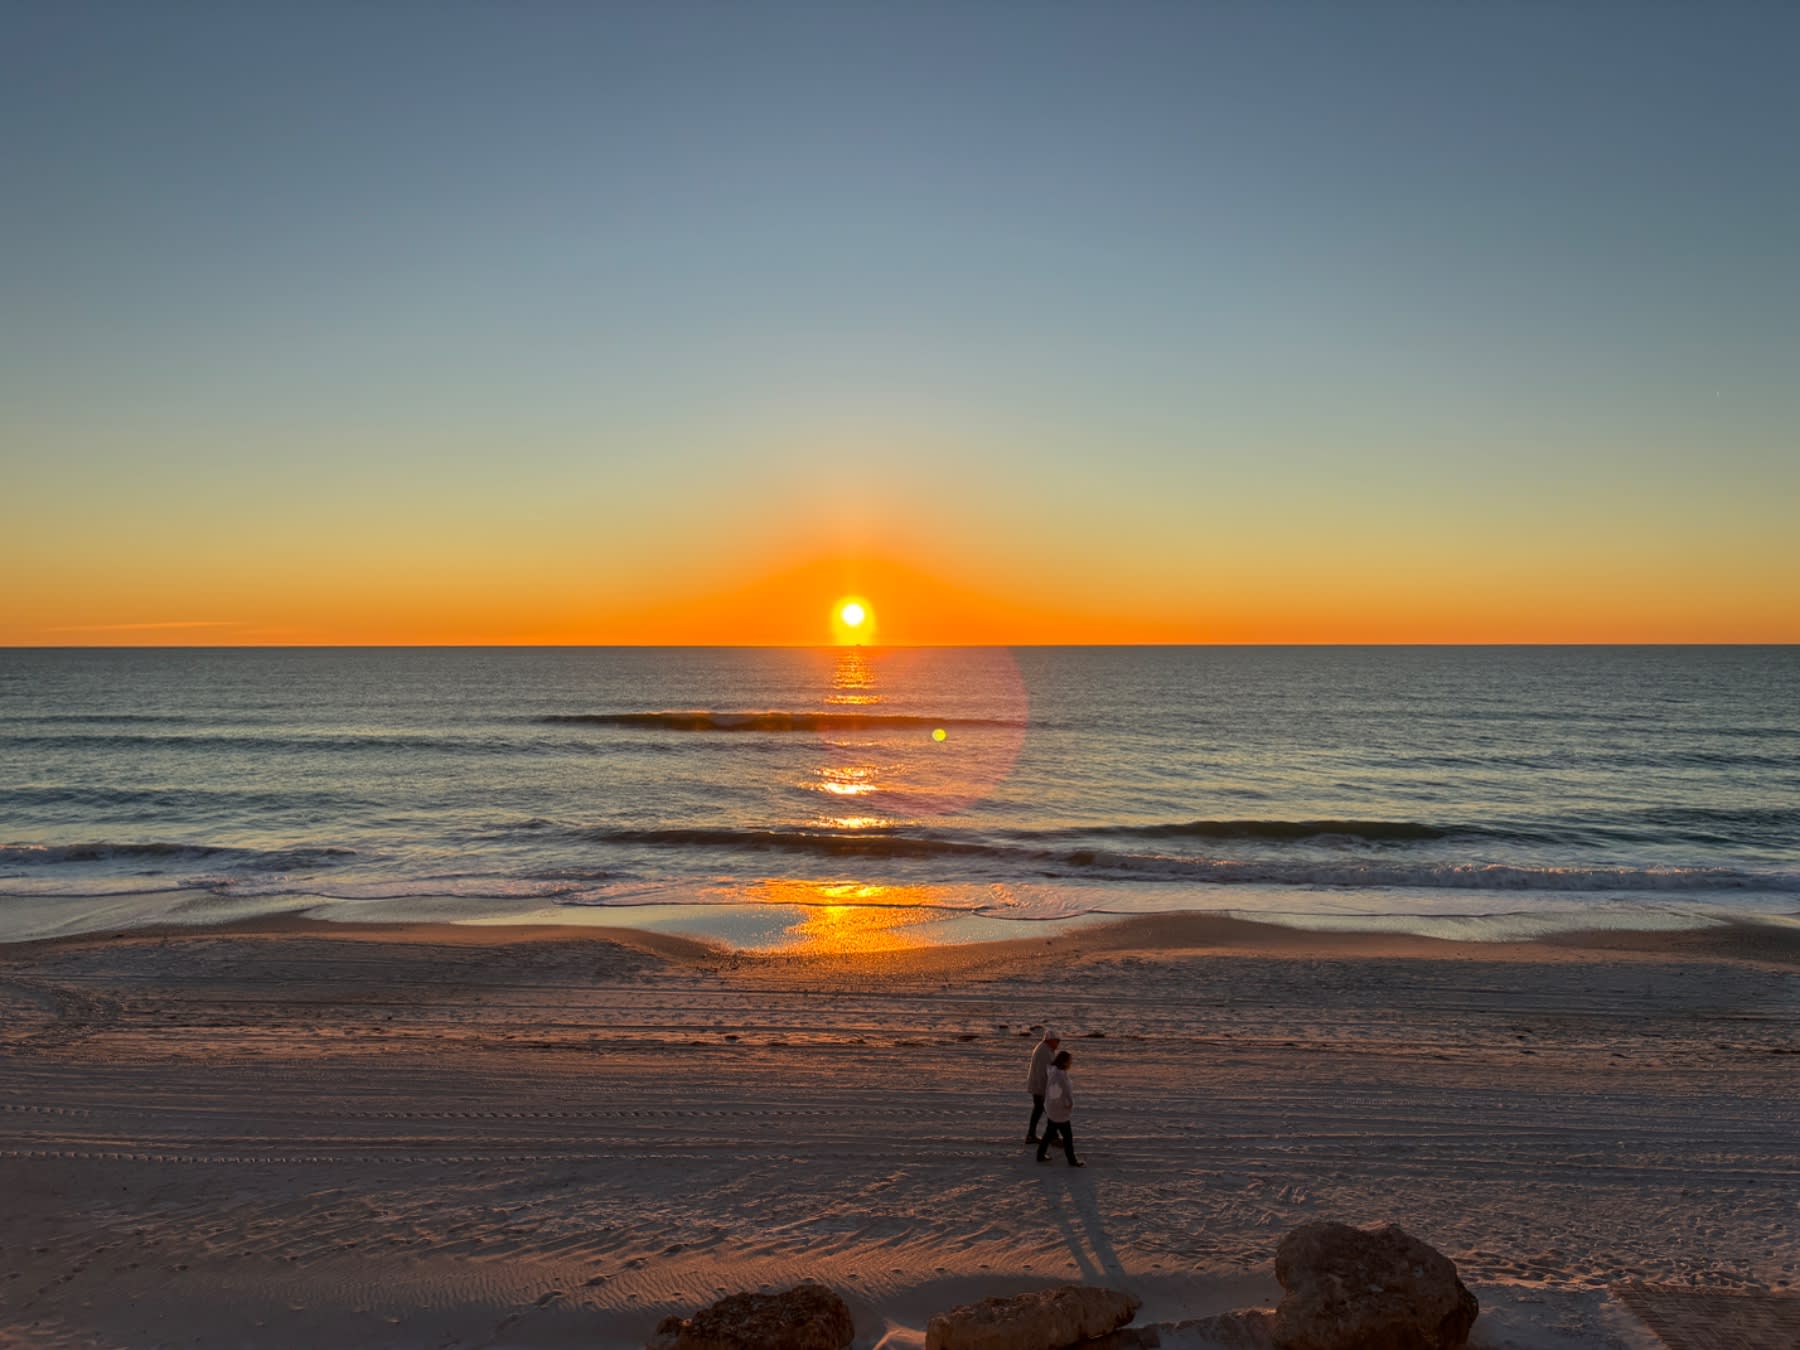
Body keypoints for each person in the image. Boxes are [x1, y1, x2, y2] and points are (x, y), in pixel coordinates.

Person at [1036, 1049, 1083, 1166]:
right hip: (1059, 1112)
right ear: (1065, 1062)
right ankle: (1072, 1161)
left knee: (1048, 1134)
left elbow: (1053, 1093)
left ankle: (1040, 1155)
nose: (1070, 1063)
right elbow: (1066, 1094)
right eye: (1069, 1061)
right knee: (1067, 1137)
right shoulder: (1061, 1076)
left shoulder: (1053, 1072)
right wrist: (1069, 1104)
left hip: (1052, 1109)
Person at [1025, 1028, 1060, 1144]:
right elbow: (1043, 1073)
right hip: (1041, 1088)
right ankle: (1053, 1137)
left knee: (1040, 1111)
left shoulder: (1046, 1049)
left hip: (1039, 1087)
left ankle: (1031, 1135)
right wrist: (1044, 1092)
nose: (1058, 1044)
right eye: (1057, 1041)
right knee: (1050, 1112)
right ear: (1050, 1040)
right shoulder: (1044, 1051)